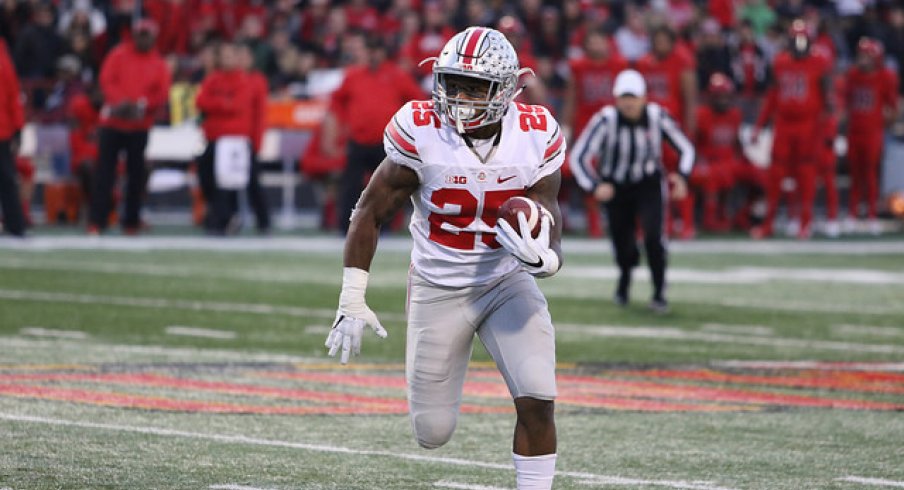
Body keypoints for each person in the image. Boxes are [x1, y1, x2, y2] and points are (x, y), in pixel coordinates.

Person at [324, 27, 566, 490]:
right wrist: (352, 296)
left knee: (538, 394)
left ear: (508, 89)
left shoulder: (536, 133)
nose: (458, 97)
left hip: (505, 281)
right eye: (452, 83)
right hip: (438, 284)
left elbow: (549, 209)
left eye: (474, 87)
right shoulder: (421, 129)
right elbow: (369, 212)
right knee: (432, 432)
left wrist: (549, 259)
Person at [570, 69, 694, 313]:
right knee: (623, 243)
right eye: (624, 97)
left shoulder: (657, 117)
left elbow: (686, 148)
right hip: (616, 187)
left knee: (653, 238)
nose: (629, 102)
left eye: (633, 97)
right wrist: (595, 185)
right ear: (616, 99)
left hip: (648, 184)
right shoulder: (606, 120)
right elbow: (578, 156)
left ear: (644, 98)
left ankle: (659, 293)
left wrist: (682, 176)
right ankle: (624, 281)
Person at [321, 32, 423, 235]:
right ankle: (345, 227)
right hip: (358, 141)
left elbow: (417, 103)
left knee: (389, 187)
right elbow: (335, 104)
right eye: (370, 50)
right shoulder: (353, 75)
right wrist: (332, 134)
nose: (374, 55)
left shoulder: (396, 75)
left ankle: (385, 227)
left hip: (386, 143)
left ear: (383, 53)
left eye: (377, 51)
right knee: (350, 186)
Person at [88, 19, 171, 235]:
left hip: (138, 125)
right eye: (140, 34)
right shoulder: (119, 55)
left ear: (153, 37)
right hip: (113, 123)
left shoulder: (158, 63)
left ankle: (131, 221)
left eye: (147, 34)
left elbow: (160, 93)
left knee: (136, 175)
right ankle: (98, 220)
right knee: (104, 174)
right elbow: (107, 80)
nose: (143, 38)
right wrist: (120, 102)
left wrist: (141, 105)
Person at [751, 20, 831, 239]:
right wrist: (760, 126)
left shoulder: (819, 62)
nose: (799, 44)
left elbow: (828, 99)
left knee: (806, 173)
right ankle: (769, 223)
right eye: (795, 39)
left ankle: (805, 222)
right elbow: (772, 97)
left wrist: (828, 130)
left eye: (802, 39)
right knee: (776, 173)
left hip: (809, 124)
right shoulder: (780, 62)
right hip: (784, 124)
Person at [561, 28, 628, 237]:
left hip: (613, 127)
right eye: (592, 41)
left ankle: (625, 219)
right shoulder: (578, 67)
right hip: (586, 127)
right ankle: (594, 222)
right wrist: (566, 128)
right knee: (587, 171)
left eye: (600, 40)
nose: (596, 46)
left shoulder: (620, 65)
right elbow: (571, 98)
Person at [636, 25, 699, 239]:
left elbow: (690, 100)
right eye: (657, 39)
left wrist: (688, 129)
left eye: (664, 40)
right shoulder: (644, 62)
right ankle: (662, 223)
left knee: (677, 175)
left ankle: (687, 223)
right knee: (649, 176)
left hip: (671, 126)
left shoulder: (682, 62)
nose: (660, 44)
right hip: (648, 128)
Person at [195, 41, 260, 235]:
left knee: (227, 182)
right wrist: (223, 104)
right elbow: (200, 101)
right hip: (214, 138)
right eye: (223, 56)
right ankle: (223, 217)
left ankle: (223, 220)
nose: (226, 60)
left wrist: (216, 104)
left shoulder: (243, 80)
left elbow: (236, 105)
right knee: (207, 176)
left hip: (234, 140)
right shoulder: (213, 79)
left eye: (229, 56)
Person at [693, 73, 766, 231]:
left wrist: (747, 160)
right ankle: (710, 219)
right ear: (711, 97)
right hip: (709, 163)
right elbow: (693, 144)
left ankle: (743, 215)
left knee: (761, 176)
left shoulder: (735, 115)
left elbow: (737, 144)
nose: (723, 100)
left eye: (726, 96)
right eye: (719, 96)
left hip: (730, 162)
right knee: (714, 177)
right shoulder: (701, 115)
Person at [842, 37, 898, 235]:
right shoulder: (853, 75)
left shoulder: (885, 76)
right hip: (855, 131)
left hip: (873, 132)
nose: (863, 59)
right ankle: (852, 214)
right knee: (855, 175)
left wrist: (886, 121)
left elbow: (892, 107)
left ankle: (872, 215)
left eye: (867, 55)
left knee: (871, 175)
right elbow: (845, 101)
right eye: (861, 55)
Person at [0, 37, 26, 237]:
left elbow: (12, 93)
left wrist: (18, 126)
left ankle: (15, 224)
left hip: (2, 129)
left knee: (8, 178)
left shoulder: (3, 57)